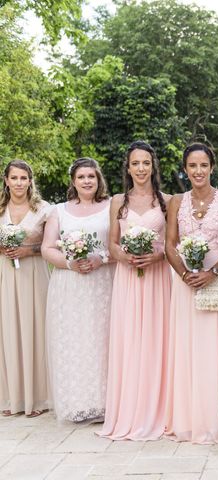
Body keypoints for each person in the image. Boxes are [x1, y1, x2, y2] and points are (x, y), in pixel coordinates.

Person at [98, 141, 172, 440]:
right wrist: (125, 256)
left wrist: (157, 255)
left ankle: (161, 409)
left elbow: (171, 244)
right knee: (130, 341)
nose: (141, 169)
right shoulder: (118, 201)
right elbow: (112, 244)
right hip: (128, 280)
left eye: (145, 163)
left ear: (153, 166)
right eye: (135, 163)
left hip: (157, 279)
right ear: (127, 168)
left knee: (158, 339)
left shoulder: (167, 200)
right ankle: (130, 410)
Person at [164, 143, 218, 444]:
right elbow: (170, 244)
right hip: (186, 286)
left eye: (203, 165)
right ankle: (192, 417)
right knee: (190, 348)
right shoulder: (176, 202)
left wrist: (213, 272)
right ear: (185, 168)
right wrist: (184, 274)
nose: (198, 171)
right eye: (192, 166)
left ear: (212, 167)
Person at [42, 158, 114, 423]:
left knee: (101, 339)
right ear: (73, 181)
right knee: (73, 341)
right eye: (82, 177)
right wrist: (71, 263)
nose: (87, 181)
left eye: (91, 177)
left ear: (99, 179)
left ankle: (106, 403)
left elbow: (118, 245)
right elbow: (47, 248)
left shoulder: (111, 207)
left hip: (102, 283)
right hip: (70, 286)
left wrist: (101, 258)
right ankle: (78, 403)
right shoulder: (58, 211)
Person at [0, 160, 50, 418]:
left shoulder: (43, 210)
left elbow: (52, 244)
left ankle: (38, 397)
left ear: (30, 181)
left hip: (34, 274)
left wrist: (27, 250)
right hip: (5, 275)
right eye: (14, 178)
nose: (19, 183)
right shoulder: (0, 209)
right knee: (7, 331)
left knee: (36, 329)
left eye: (23, 178)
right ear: (6, 181)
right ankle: (11, 397)